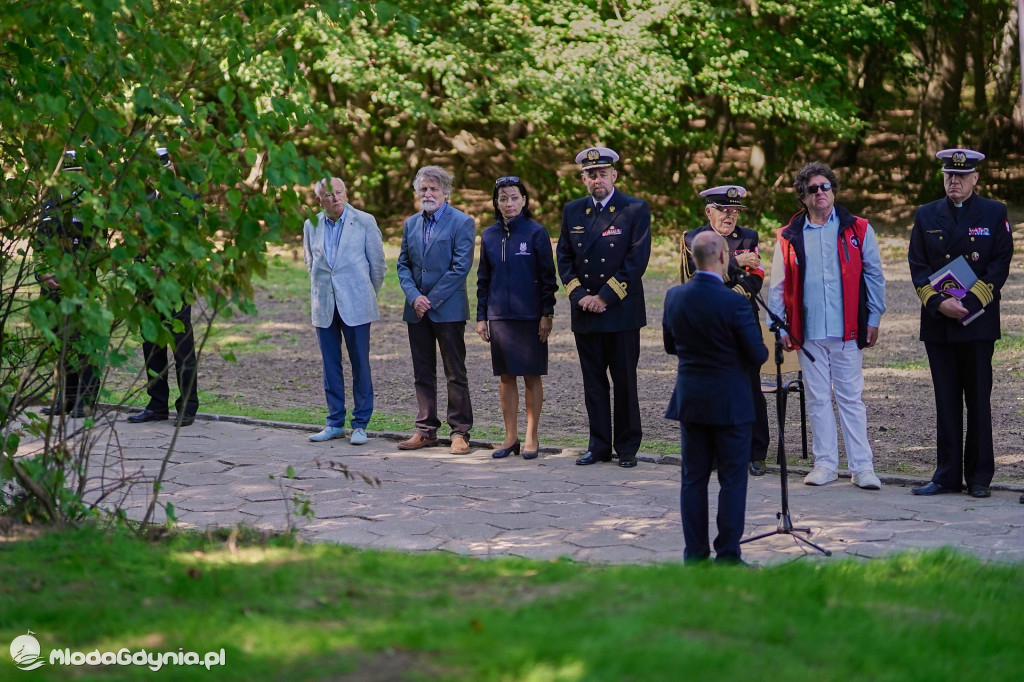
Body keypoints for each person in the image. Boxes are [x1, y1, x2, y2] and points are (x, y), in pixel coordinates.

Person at [767, 161, 886, 490]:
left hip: (847, 330)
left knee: (851, 398)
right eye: (812, 189)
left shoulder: (858, 228)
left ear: (833, 190)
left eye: (825, 187)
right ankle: (825, 464)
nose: (820, 192)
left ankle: (862, 467)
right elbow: (778, 285)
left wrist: (874, 317)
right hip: (808, 334)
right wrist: (778, 326)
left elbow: (874, 275)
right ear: (802, 197)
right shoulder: (788, 235)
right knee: (818, 398)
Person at [908, 149, 1013, 498]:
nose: (954, 181)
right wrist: (939, 303)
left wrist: (967, 304)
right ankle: (947, 475)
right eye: (949, 175)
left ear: (975, 178)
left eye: (962, 175)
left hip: (977, 321)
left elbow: (999, 264)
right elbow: (918, 266)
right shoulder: (926, 215)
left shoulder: (994, 213)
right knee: (946, 400)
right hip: (939, 323)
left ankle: (980, 476)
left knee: (979, 399)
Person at [664, 231, 768, 564]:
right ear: (724, 257)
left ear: (695, 259)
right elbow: (757, 354)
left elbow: (670, 346)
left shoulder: (674, 296)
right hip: (731, 403)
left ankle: (694, 555)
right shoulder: (735, 300)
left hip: (692, 400)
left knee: (693, 479)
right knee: (732, 480)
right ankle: (727, 554)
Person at [556, 146, 651, 468]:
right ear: (584, 178)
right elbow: (564, 258)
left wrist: (604, 297)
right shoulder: (573, 211)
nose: (597, 179)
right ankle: (598, 446)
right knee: (593, 383)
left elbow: (636, 261)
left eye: (602, 173)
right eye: (591, 174)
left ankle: (626, 447)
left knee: (624, 382)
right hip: (585, 310)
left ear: (614, 175)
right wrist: (580, 295)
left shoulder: (634, 209)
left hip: (621, 311)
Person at [680, 184, 770, 476]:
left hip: (742, 319)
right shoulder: (694, 238)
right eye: (723, 210)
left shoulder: (749, 237)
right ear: (709, 211)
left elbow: (756, 276)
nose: (730, 216)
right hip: (708, 326)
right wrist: (736, 262)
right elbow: (699, 273)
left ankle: (756, 453)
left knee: (750, 386)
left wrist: (729, 297)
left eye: (734, 210)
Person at [475, 176, 558, 460]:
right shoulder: (488, 236)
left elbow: (549, 278)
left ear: (524, 200)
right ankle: (511, 437)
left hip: (530, 317)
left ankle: (532, 436)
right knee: (506, 376)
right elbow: (482, 279)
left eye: (514, 198)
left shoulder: (536, 233)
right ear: (496, 203)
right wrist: (481, 317)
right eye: (503, 199)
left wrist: (547, 314)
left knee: (532, 375)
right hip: (499, 317)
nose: (509, 203)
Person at [396, 166, 475, 455]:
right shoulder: (411, 223)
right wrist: (415, 296)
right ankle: (426, 430)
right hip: (416, 310)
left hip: (448, 310)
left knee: (455, 372)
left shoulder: (462, 222)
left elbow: (460, 267)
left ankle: (460, 432)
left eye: (433, 189)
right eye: (423, 189)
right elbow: (403, 264)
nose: (428, 194)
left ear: (445, 192)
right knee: (422, 372)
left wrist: (431, 299)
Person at [303, 176, 386, 444]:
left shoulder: (365, 221)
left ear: (346, 193)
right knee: (330, 365)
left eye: (339, 192)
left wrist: (364, 293)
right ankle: (334, 421)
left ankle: (360, 424)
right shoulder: (310, 224)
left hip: (357, 302)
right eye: (329, 195)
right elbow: (310, 263)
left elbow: (378, 266)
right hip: (324, 304)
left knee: (360, 363)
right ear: (319, 200)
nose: (335, 198)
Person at [127, 148, 200, 427]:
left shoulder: (187, 200)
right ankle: (157, 404)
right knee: (152, 347)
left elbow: (191, 243)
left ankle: (187, 406)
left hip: (175, 286)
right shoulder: (143, 202)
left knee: (182, 348)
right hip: (146, 285)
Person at [35, 151, 102, 419]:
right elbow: (38, 243)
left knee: (83, 341)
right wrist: (42, 274)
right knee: (60, 343)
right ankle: (65, 397)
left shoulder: (91, 205)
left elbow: (97, 247)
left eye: (75, 173)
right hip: (51, 287)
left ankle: (85, 400)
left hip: (79, 284)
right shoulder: (49, 203)